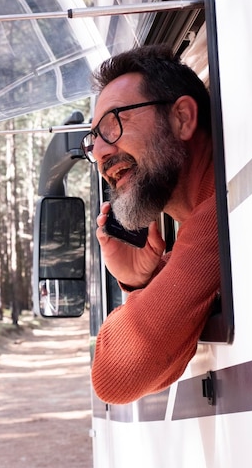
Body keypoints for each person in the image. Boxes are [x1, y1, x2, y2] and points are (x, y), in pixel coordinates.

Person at [80, 44, 220, 405]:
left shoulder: (219, 216)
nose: (99, 153)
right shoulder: (202, 222)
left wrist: (138, 291)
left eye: (114, 125)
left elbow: (115, 376)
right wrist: (140, 281)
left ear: (183, 119)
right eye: (93, 139)